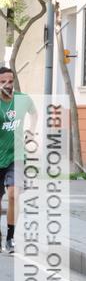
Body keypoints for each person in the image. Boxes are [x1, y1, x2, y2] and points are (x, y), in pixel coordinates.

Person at [0, 67, 37, 253]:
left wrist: (31, 130)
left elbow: (34, 112)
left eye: (10, 80)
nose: (8, 84)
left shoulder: (22, 99)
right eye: (3, 81)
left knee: (13, 195)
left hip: (17, 156)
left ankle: (10, 237)